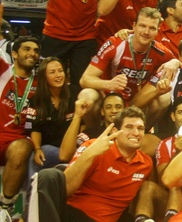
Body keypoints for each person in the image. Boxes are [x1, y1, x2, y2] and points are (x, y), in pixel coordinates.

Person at [27, 106, 153, 222]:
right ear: (115, 130)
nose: (136, 133)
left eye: (140, 128)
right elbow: (65, 190)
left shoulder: (146, 164)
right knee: (48, 176)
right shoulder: (94, 146)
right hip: (70, 214)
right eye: (129, 127)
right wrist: (90, 154)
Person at [79, 7, 179, 106]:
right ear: (134, 26)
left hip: (137, 102)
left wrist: (175, 62)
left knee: (164, 98)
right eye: (142, 26)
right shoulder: (115, 44)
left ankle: (142, 122)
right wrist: (109, 84)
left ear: (158, 30)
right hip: (109, 98)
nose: (146, 32)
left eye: (152, 28)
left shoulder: (161, 51)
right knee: (87, 94)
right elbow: (85, 79)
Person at [132, 36, 182, 132]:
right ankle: (144, 131)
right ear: (180, 57)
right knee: (163, 98)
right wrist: (157, 92)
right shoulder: (169, 73)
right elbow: (135, 104)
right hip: (170, 133)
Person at [0, 36, 40, 213]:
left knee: (20, 149)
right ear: (14, 54)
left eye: (36, 50)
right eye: (27, 49)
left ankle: (5, 207)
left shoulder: (41, 83)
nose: (32, 53)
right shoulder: (3, 71)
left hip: (18, 140)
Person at [24, 58, 75, 181]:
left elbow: (83, 126)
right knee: (38, 157)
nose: (58, 75)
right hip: (48, 149)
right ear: (44, 77)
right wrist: (37, 149)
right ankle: (32, 197)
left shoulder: (74, 93)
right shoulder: (36, 99)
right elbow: (33, 128)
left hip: (72, 149)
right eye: (52, 72)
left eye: (60, 71)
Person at [59, 92, 123, 162]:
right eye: (108, 107)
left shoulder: (131, 133)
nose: (114, 111)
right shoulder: (90, 134)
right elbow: (64, 156)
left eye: (118, 107)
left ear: (124, 110)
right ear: (102, 112)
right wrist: (77, 116)